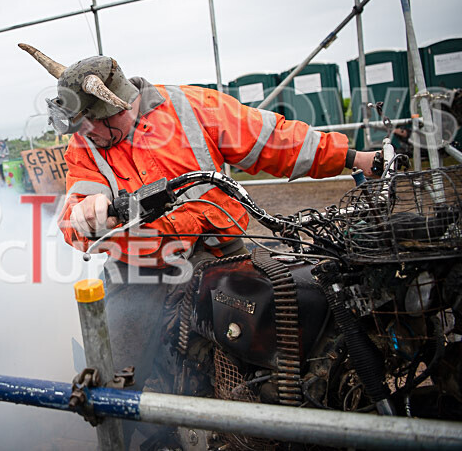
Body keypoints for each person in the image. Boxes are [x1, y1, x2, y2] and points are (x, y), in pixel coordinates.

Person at [19, 43, 377, 444]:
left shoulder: (191, 106)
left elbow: (272, 139)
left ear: (114, 106)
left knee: (285, 315)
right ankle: (131, 437)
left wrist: (354, 157)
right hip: (140, 269)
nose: (84, 134)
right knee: (110, 378)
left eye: (88, 124)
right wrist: (86, 213)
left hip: (223, 250)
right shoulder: (85, 147)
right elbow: (74, 210)